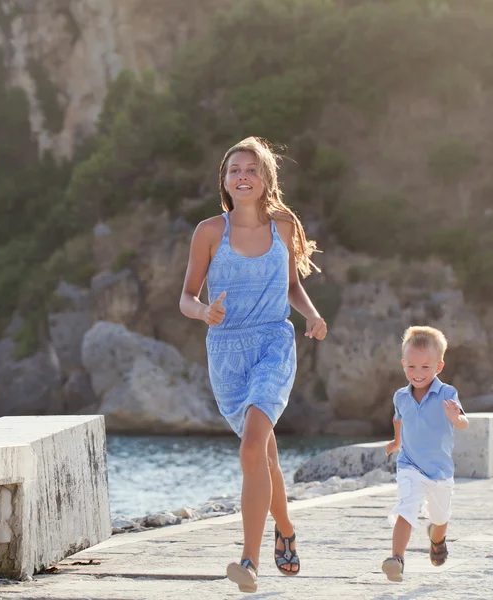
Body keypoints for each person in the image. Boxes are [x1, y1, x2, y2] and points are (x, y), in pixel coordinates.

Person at [179, 136, 327, 593]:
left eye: (251, 170)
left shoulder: (283, 226)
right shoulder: (208, 231)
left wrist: (312, 314)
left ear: (266, 179)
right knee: (265, 456)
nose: (242, 176)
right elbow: (186, 297)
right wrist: (204, 312)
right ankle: (285, 527)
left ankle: (249, 559)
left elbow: (290, 285)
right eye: (234, 170)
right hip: (226, 351)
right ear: (224, 180)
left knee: (252, 448)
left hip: (272, 343)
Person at [382, 326, 469, 583]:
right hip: (409, 465)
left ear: (439, 367)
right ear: (403, 364)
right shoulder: (401, 396)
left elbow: (463, 422)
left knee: (440, 517)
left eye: (425, 367)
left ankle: (437, 538)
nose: (417, 374)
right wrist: (397, 442)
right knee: (406, 507)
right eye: (411, 367)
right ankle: (396, 559)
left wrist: (456, 417)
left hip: (440, 471)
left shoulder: (447, 394)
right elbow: (398, 419)